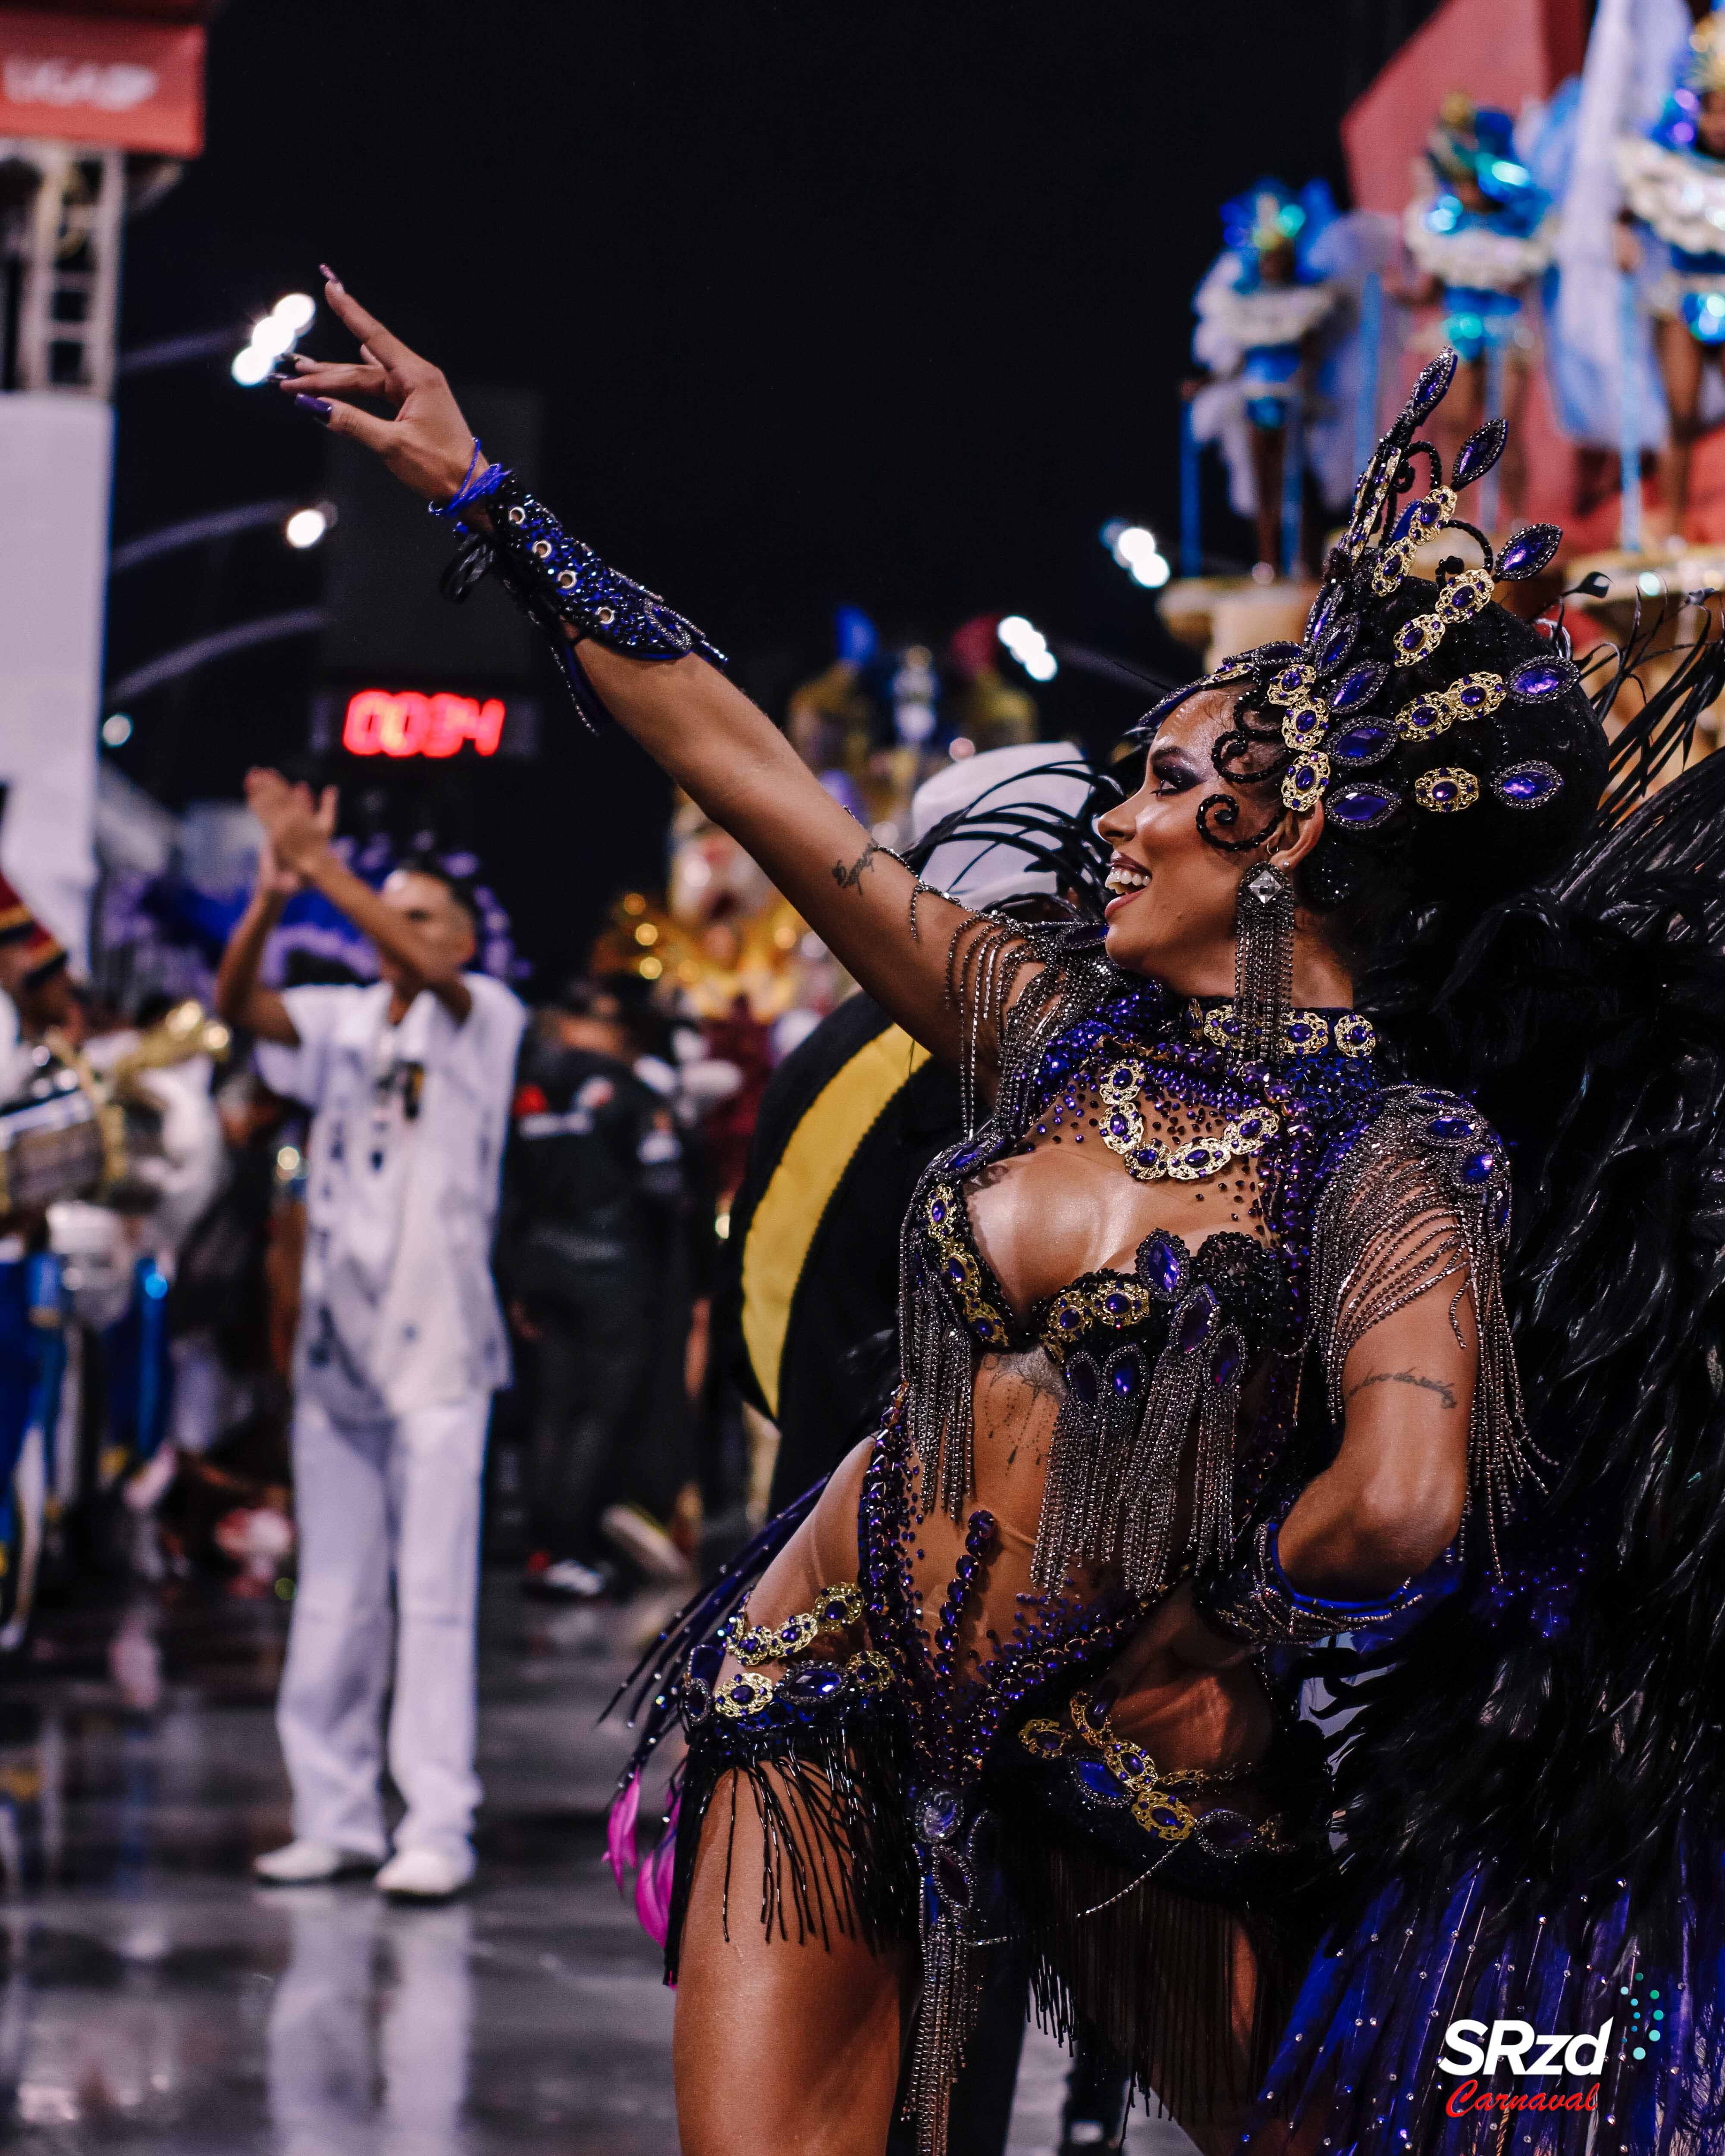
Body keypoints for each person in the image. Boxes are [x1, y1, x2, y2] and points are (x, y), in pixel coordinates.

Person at [284, 282, 1725, 2156]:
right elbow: (751, 778)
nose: (1113, 822)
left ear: (1281, 839)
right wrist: (486, 499)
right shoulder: (1044, 1029)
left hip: (1141, 1768)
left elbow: (1404, 1501)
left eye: (1165, 789)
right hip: (825, 1679)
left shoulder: (1391, 1150)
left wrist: (1211, 1604)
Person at [216, 783, 524, 1901]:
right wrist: (271, 897)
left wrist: (333, 871)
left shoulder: (481, 1011)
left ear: (465, 937)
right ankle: (335, 1813)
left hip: (440, 1351)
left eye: (417, 913)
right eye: (384, 913)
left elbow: (432, 970)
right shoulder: (344, 1018)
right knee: (336, 1593)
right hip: (341, 1353)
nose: (393, 928)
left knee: (432, 1594)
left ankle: (437, 1822)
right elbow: (239, 1003)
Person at [498, 978, 694, 1599]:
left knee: (554, 1407)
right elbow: (665, 1185)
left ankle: (546, 1548)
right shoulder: (633, 1093)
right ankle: (574, 1546)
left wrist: (516, 1281)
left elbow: (508, 1194)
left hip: (541, 1268)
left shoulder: (524, 1093)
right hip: (612, 1275)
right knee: (600, 1413)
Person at [1616, 6, 1725, 541]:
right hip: (1682, 296)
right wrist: (1622, 238)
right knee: (1680, 415)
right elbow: (1630, 207)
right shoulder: (1668, 161)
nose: (1721, 123)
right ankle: (1673, 529)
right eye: (1713, 110)